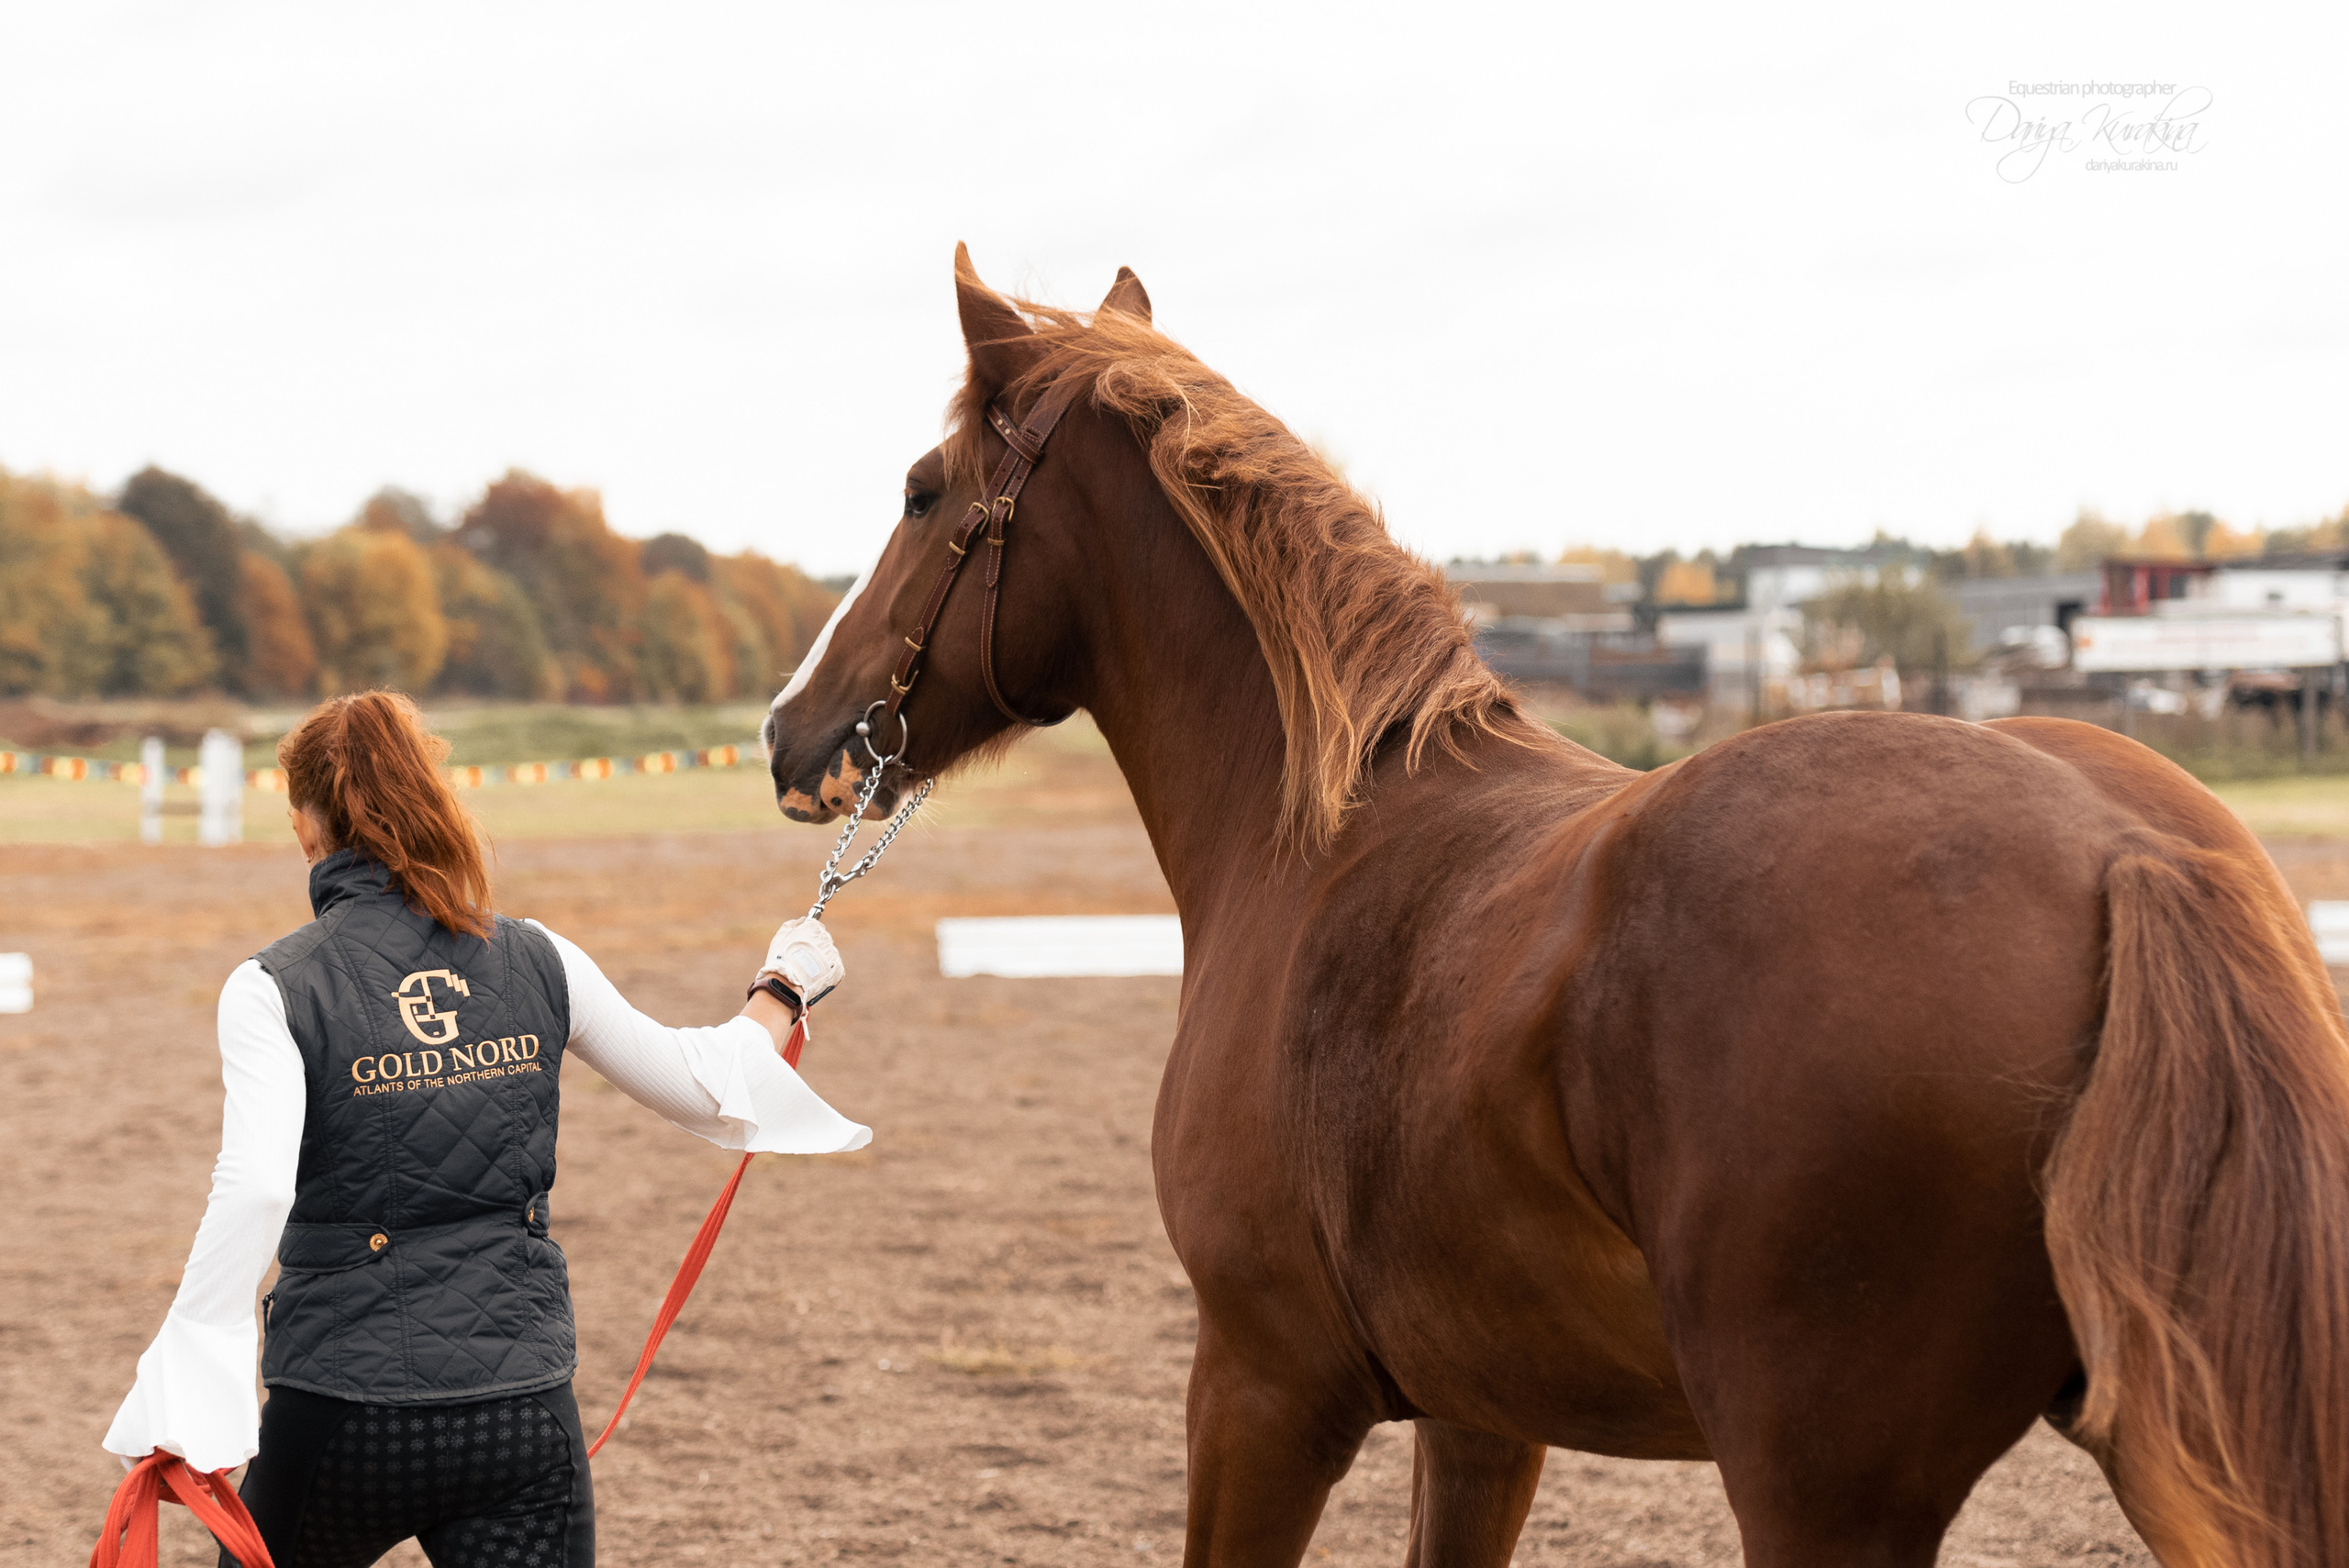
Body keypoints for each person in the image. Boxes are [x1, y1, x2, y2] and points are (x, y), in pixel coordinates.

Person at [101, 691, 865, 1568]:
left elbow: (258, 1187)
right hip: (519, 1413)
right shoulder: (540, 956)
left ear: (307, 826)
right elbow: (706, 1085)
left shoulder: (272, 984)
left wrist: (186, 1371)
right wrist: (783, 985)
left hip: (344, 1409)